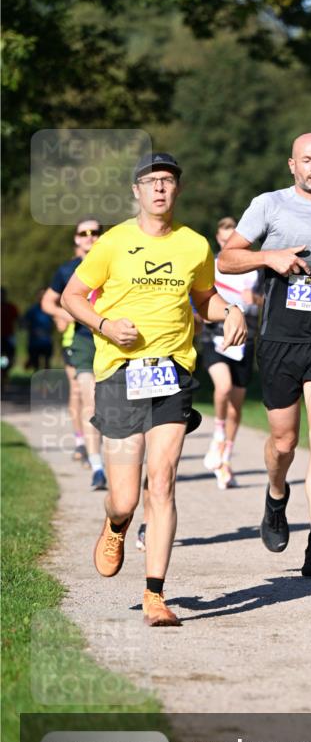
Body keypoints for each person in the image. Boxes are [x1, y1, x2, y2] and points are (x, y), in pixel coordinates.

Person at [61, 152, 246, 627]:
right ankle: (116, 522)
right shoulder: (112, 243)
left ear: (177, 189)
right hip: (120, 373)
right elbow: (71, 297)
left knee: (161, 481)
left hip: (173, 373)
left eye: (167, 180)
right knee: (125, 496)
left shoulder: (195, 245)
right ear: (136, 191)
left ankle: (155, 594)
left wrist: (231, 311)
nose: (160, 188)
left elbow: (205, 299)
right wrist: (105, 325)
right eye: (151, 181)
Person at [218, 133, 311, 577]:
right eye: (307, 160)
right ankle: (276, 495)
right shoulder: (269, 205)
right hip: (280, 338)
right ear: (292, 165)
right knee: (284, 443)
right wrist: (270, 258)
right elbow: (227, 259)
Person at [199, 216, 263, 489]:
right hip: (214, 337)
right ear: (218, 239)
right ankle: (217, 435)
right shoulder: (210, 266)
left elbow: (270, 301)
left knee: (236, 407)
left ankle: (224, 460)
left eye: (233, 240)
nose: (228, 245)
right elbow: (199, 298)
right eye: (224, 240)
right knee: (222, 386)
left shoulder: (256, 267)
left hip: (245, 341)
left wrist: (255, 299)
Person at [41, 220, 106, 484]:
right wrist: (66, 314)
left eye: (95, 232)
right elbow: (48, 302)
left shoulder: (114, 262)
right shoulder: (67, 270)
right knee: (82, 394)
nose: (90, 237)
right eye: (84, 233)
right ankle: (95, 464)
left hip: (113, 340)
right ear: (76, 238)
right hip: (80, 340)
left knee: (110, 400)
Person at [23, 290, 53, 370]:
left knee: (47, 363)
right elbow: (24, 323)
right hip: (34, 342)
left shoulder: (50, 310)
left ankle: (46, 378)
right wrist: (33, 330)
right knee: (35, 364)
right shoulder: (32, 310)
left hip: (47, 341)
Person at [1, 287, 20, 392]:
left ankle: (5, 375)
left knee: (9, 359)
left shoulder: (11, 307)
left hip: (8, 337)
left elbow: (18, 320)